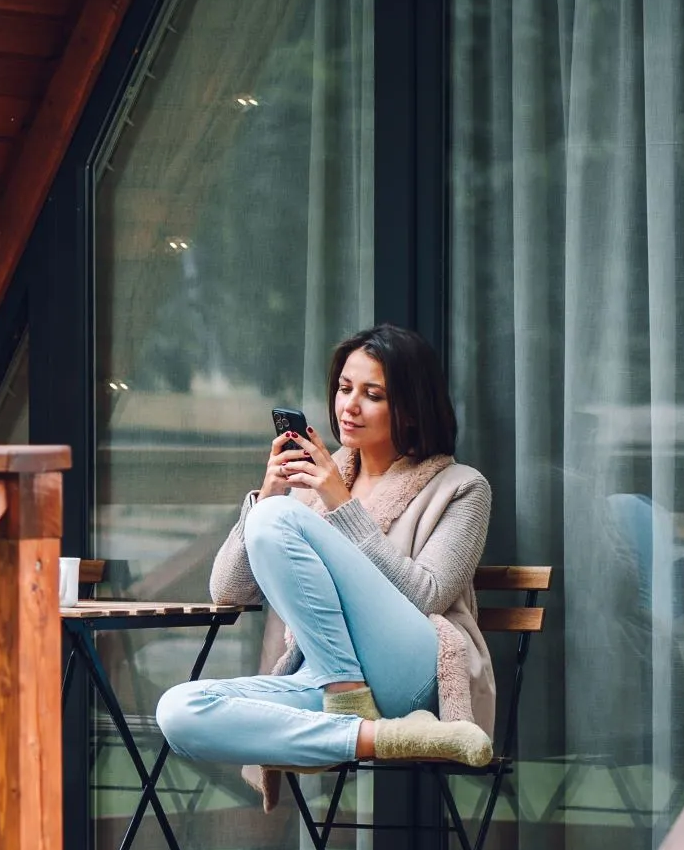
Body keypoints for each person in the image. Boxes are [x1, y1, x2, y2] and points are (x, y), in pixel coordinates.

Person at [157, 325, 497, 789]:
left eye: (372, 394)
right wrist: (270, 492)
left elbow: (426, 596)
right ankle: (381, 735)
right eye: (343, 388)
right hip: (328, 684)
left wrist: (340, 504)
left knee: (276, 520)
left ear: (412, 410)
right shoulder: (308, 488)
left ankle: (347, 695)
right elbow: (229, 591)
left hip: (415, 672)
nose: (349, 406)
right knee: (178, 712)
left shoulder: (461, 487)